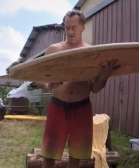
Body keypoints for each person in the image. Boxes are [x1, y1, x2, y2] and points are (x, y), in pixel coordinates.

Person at [34, 10, 120, 168]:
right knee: (49, 154)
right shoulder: (54, 50)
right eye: (67, 27)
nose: (70, 31)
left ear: (83, 27)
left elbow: (95, 88)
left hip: (82, 108)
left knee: (77, 155)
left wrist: (104, 76)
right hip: (58, 107)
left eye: (74, 27)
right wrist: (47, 85)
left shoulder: (92, 53)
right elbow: (36, 77)